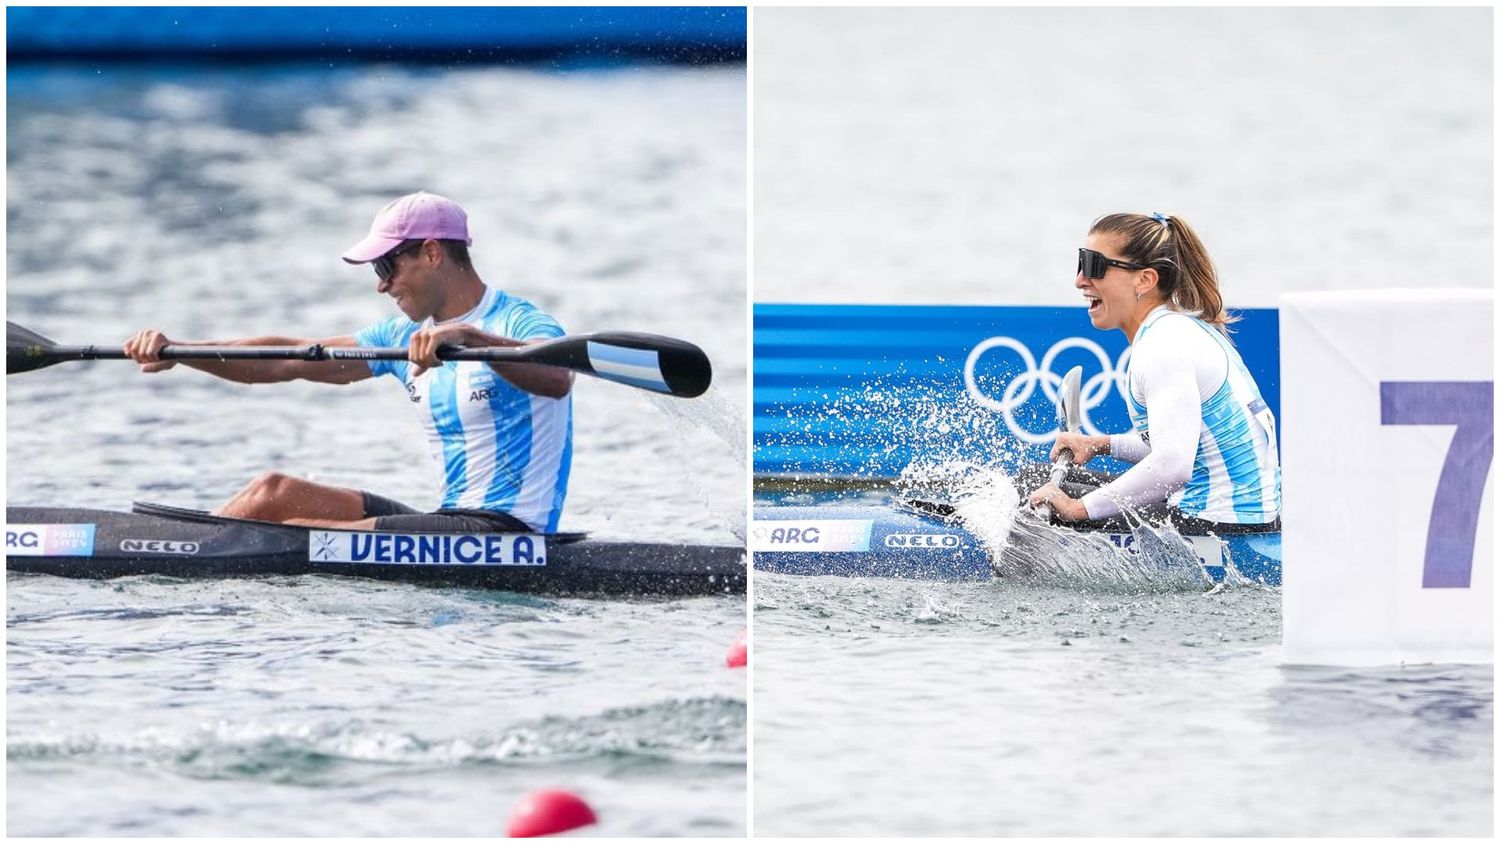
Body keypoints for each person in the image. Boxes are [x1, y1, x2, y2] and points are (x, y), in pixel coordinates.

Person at [123, 191, 574, 533]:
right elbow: (288, 359)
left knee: (297, 533)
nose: (382, 286)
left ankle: (183, 558)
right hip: (447, 523)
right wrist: (181, 353)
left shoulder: (520, 320)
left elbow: (558, 378)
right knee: (273, 494)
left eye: (385, 268)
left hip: (507, 532)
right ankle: (183, 548)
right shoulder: (400, 337)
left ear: (432, 253)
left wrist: (469, 337)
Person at [1025, 212, 1281, 533]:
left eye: (1094, 266)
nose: (1080, 280)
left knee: (1027, 493)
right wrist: (1100, 444)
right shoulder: (1180, 328)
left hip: (1217, 526)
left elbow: (1173, 466)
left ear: (1144, 280)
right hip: (1240, 517)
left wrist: (1077, 510)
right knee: (1034, 478)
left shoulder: (1164, 346)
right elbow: (1181, 445)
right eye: (1080, 263)